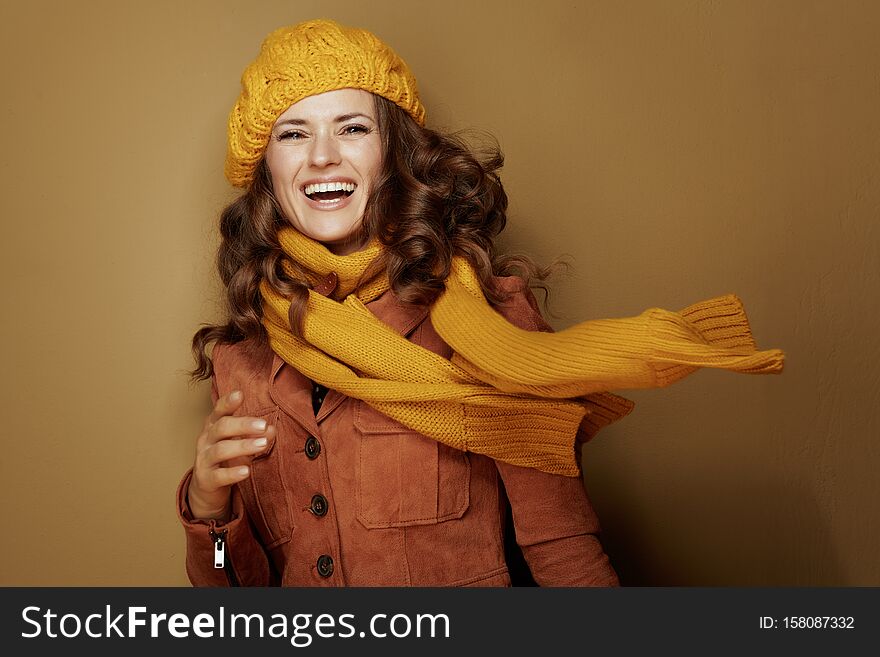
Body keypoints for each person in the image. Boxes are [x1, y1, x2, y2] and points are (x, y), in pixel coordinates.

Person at [177, 19, 784, 587]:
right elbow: (235, 595)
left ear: (394, 154)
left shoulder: (491, 326)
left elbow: (561, 546)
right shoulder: (243, 361)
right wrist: (209, 517)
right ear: (266, 169)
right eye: (293, 133)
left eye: (353, 128)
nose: (322, 156)